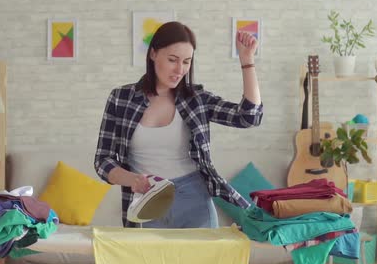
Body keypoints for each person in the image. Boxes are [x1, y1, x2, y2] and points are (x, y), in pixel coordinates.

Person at [94, 21, 263, 229]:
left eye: (186, 62)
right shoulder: (121, 99)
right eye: (172, 60)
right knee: (148, 262)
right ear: (153, 54)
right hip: (146, 202)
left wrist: (247, 62)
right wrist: (132, 180)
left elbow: (249, 116)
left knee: (202, 263)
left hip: (194, 200)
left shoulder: (196, 99)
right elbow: (103, 161)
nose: (180, 69)